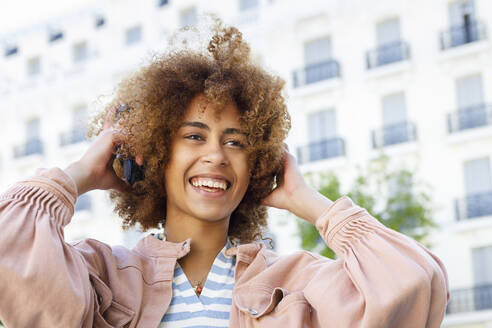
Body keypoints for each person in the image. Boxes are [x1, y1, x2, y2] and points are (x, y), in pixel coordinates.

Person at [0, 20, 448, 328]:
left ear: (259, 164)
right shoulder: (103, 277)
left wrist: (310, 202)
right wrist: (80, 172)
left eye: (236, 141)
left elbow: (414, 286)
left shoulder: (298, 284)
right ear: (156, 153)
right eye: (194, 136)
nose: (216, 155)